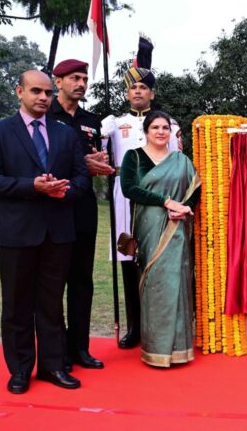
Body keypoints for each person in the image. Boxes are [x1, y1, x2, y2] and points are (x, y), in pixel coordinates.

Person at [0, 70, 90, 393]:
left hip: (58, 232)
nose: (43, 98)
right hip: (15, 233)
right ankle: (20, 369)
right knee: (16, 304)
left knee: (52, 303)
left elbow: (82, 179)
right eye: (36, 91)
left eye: (48, 93)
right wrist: (33, 186)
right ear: (20, 91)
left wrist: (63, 191)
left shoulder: (65, 134)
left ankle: (53, 367)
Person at [101, 34, 181, 349]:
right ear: (127, 92)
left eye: (143, 87)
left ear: (151, 93)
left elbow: (175, 163)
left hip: (157, 200)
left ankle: (158, 326)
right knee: (128, 258)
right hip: (124, 199)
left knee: (158, 261)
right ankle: (134, 326)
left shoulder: (168, 125)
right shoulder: (113, 123)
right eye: (133, 87)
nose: (138, 92)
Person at [120, 111, 200, 367]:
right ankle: (155, 348)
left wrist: (184, 207)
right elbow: (129, 189)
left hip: (177, 226)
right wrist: (164, 201)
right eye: (155, 127)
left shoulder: (180, 159)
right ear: (146, 130)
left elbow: (195, 187)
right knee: (155, 280)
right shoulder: (133, 156)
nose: (160, 132)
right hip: (149, 225)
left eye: (165, 127)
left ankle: (179, 348)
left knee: (176, 278)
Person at [50, 59, 114, 370]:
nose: (81, 84)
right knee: (54, 280)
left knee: (81, 281)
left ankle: (80, 348)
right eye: (74, 78)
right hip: (54, 206)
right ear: (57, 80)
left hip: (84, 206)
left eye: (84, 79)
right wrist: (82, 165)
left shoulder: (91, 119)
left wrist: (100, 162)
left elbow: (94, 159)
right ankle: (57, 350)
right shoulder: (46, 114)